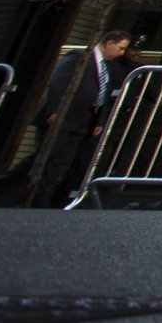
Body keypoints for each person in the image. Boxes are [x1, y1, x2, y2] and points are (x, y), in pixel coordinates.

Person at [33, 29, 137, 206]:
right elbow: (58, 83)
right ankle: (5, 186)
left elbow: (102, 95)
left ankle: (43, 200)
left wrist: (99, 121)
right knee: (46, 158)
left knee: (61, 163)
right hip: (63, 117)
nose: (121, 53)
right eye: (120, 48)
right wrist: (53, 111)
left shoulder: (106, 66)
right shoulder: (79, 56)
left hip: (81, 122)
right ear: (109, 43)